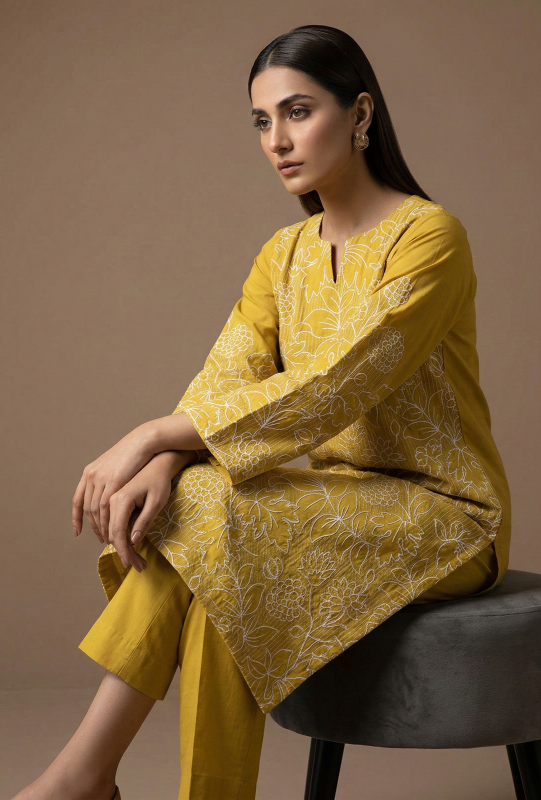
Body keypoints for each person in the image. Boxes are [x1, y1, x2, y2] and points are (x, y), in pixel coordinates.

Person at [12, 23, 511, 800]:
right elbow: (228, 375)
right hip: (340, 503)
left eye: (297, 112)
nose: (276, 140)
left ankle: (81, 779)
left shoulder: (429, 238)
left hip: (446, 513)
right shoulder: (283, 255)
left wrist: (149, 435)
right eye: (260, 120)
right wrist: (171, 459)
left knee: (219, 528)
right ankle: (90, 778)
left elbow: (337, 385)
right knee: (211, 529)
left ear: (360, 113)